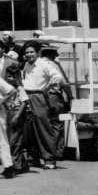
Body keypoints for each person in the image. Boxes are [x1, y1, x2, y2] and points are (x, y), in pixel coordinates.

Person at [21, 41, 63, 169]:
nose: (29, 54)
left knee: (43, 128)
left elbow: (57, 76)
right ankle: (33, 157)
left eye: (32, 52)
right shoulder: (26, 65)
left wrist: (48, 87)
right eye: (27, 52)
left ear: (38, 52)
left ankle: (49, 159)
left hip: (40, 97)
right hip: (27, 97)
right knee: (30, 129)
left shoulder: (44, 64)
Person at [40, 45, 72, 158]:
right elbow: (64, 84)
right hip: (53, 97)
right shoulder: (54, 65)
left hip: (38, 97)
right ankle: (57, 151)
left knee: (43, 125)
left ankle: (44, 151)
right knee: (57, 124)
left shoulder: (36, 64)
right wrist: (70, 97)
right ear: (51, 54)